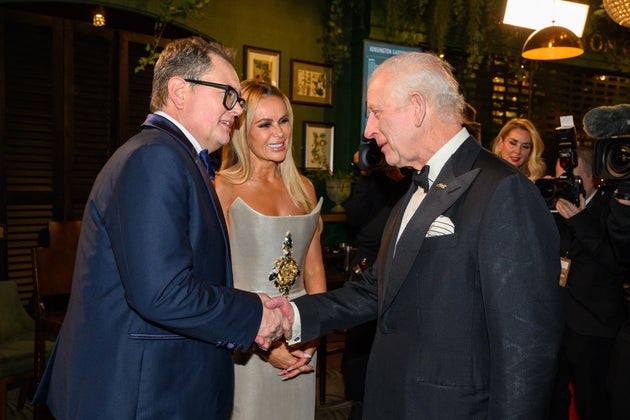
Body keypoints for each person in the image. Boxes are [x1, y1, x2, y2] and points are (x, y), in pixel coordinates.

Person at [269, 51, 564, 419]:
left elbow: (526, 348)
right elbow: (374, 291)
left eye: (376, 112)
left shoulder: (504, 190)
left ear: (417, 108)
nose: (368, 130)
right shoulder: (414, 186)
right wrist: (290, 315)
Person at [33, 37, 291, 419]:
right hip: (140, 394)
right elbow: (163, 292)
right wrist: (253, 314)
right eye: (228, 95)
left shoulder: (173, 157)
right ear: (179, 91)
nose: (236, 110)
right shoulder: (154, 158)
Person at [214, 80, 326, 420]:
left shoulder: (303, 187)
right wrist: (269, 346)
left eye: (283, 120)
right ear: (241, 131)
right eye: (264, 124)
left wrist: (313, 333)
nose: (279, 132)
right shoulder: (223, 188)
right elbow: (221, 278)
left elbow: (315, 271)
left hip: (301, 338)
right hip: (248, 341)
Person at [548, 146, 628, 420]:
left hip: (595, 329)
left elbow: (616, 263)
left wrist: (580, 221)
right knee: (552, 401)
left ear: (594, 177)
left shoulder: (613, 208)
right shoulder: (552, 206)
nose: (567, 186)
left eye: (574, 180)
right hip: (557, 325)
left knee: (592, 404)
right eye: (561, 179)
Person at [341, 150, 411, 419]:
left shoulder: (414, 178)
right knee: (359, 348)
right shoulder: (374, 182)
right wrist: (368, 176)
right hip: (367, 266)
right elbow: (354, 218)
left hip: (400, 268)